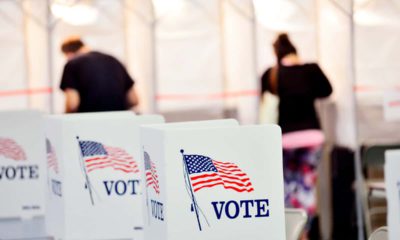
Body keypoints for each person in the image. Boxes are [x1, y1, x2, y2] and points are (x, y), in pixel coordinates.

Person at [261, 33, 332, 239]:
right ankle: (305, 232)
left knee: (286, 188)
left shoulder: (272, 74)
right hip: (311, 137)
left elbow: (265, 99)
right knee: (307, 187)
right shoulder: (311, 70)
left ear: (276, 53)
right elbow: (327, 91)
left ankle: (291, 232)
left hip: (285, 140)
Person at [59, 36, 139, 113]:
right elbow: (134, 100)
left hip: (88, 122)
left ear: (69, 54)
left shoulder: (72, 64)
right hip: (119, 122)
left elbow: (72, 104)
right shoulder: (114, 61)